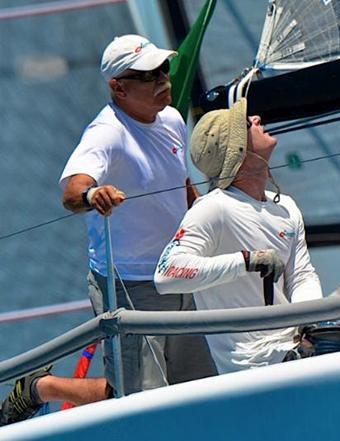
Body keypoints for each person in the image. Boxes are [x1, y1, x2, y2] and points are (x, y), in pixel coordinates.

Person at [1, 34, 216, 426]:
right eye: (149, 75)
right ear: (119, 87)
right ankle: (41, 389)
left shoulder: (170, 120)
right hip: (130, 284)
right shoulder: (106, 133)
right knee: (140, 402)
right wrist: (93, 194)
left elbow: (179, 183)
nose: (163, 79)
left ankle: (43, 387)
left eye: (164, 69)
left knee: (197, 388)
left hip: (179, 274)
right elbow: (71, 191)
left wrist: (209, 214)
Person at [154, 97, 324, 373]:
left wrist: (310, 324)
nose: (257, 118)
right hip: (255, 365)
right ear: (239, 152)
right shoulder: (214, 207)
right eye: (247, 124)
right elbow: (166, 274)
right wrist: (245, 261)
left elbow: (301, 275)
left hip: (297, 348)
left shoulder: (286, 206)